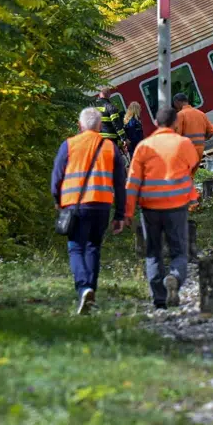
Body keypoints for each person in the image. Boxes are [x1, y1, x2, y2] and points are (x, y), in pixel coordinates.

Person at [50, 107, 128, 314]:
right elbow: (120, 184)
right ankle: (90, 294)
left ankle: (84, 288)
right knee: (93, 247)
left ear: (79, 125)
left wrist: (58, 201)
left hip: (74, 205)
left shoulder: (69, 145)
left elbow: (56, 177)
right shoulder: (110, 148)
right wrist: (120, 214)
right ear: (100, 126)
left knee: (76, 247)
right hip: (101, 205)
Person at [125, 107, 199, 309]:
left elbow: (132, 182)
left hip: (149, 207)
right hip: (176, 205)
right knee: (179, 251)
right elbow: (192, 165)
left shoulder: (143, 146)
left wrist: (128, 212)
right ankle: (174, 277)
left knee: (153, 252)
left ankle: (159, 299)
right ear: (175, 123)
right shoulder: (183, 143)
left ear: (156, 123)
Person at [172, 92, 213, 167]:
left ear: (177, 102)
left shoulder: (180, 115)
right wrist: (203, 140)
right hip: (200, 149)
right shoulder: (200, 113)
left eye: (174, 104)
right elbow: (212, 131)